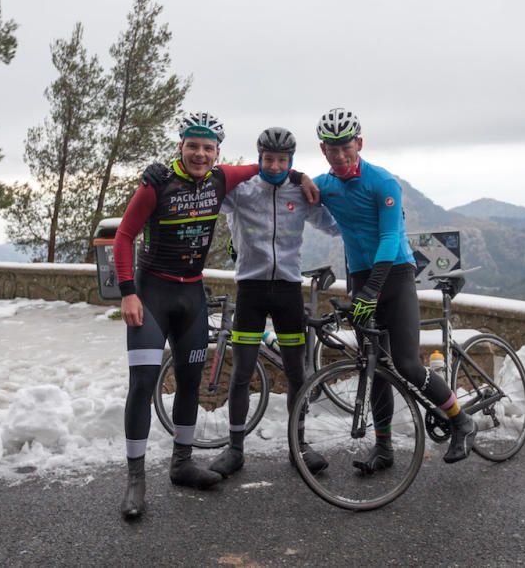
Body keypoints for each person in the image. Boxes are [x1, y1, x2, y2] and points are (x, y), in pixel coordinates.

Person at [113, 112, 315, 520]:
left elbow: (270, 166)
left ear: (217, 152)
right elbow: (123, 236)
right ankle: (135, 481)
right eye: (193, 146)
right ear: (180, 147)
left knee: (191, 383)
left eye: (208, 148)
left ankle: (181, 464)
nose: (200, 154)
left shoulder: (222, 178)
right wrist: (128, 292)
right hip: (152, 294)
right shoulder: (156, 184)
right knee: (144, 384)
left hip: (191, 294)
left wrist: (303, 177)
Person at [312, 107, 476, 473]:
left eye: (346, 147)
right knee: (376, 365)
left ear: (359, 143)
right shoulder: (325, 186)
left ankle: (461, 420)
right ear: (323, 149)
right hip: (360, 276)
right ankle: (384, 448)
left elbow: (389, 237)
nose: (340, 155)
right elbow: (286, 197)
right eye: (332, 148)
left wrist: (372, 289)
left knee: (406, 364)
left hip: (396, 273)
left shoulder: (382, 182)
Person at [207, 127, 338, 478]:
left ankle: (298, 447)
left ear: (291, 161)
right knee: (242, 373)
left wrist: (323, 190)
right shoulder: (242, 191)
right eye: (269, 159)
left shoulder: (300, 191)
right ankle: (235, 450)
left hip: (287, 292)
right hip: (250, 289)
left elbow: (334, 226)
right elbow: (208, 183)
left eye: (283, 160)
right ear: (259, 157)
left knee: (298, 372)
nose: (275, 165)